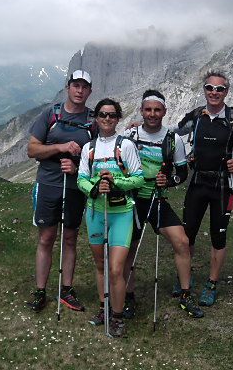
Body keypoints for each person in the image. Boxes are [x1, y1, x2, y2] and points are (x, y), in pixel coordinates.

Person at [122, 89, 204, 319]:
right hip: (134, 200)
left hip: (157, 199)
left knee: (182, 242)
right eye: (148, 109)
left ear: (164, 112)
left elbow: (182, 172)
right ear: (142, 111)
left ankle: (186, 296)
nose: (152, 114)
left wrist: (167, 181)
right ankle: (128, 298)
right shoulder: (130, 136)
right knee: (130, 250)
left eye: (157, 110)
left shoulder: (172, 139)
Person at [177, 70, 233, 306]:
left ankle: (211, 284)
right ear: (204, 90)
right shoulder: (196, 116)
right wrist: (144, 125)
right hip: (198, 182)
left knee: (218, 236)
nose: (214, 92)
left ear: (226, 91)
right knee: (187, 235)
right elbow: (174, 131)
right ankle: (185, 280)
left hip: (223, 185)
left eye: (219, 89)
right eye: (210, 88)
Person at [26, 70, 94, 313]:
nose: (79, 91)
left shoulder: (93, 121)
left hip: (75, 187)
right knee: (46, 237)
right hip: (47, 183)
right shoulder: (50, 114)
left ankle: (66, 289)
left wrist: (77, 167)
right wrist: (60, 148)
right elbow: (32, 150)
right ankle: (40, 291)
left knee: (70, 237)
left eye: (84, 87)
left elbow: (99, 156)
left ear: (90, 91)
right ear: (68, 87)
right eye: (76, 85)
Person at [77, 98, 144, 338]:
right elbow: (81, 179)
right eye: (103, 115)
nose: (107, 119)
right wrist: (95, 188)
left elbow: (138, 178)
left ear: (118, 118)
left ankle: (117, 316)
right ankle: (104, 308)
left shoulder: (126, 146)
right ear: (96, 117)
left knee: (116, 269)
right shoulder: (89, 148)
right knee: (100, 266)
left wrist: (115, 182)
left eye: (112, 115)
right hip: (95, 212)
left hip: (121, 213)